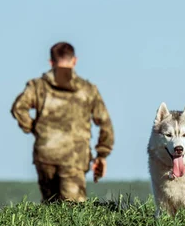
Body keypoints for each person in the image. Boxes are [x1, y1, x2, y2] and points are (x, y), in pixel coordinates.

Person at [11, 42, 114, 203]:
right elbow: (105, 123)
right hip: (75, 156)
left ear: (51, 62)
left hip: (45, 154)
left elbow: (18, 108)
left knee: (50, 206)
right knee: (73, 210)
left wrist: (35, 130)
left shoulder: (38, 87)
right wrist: (102, 154)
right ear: (74, 61)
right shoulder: (88, 90)